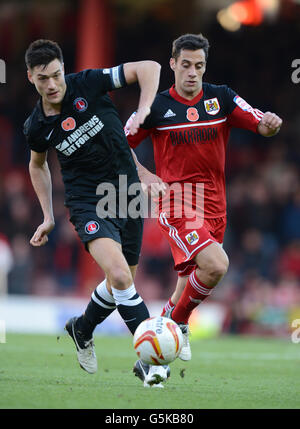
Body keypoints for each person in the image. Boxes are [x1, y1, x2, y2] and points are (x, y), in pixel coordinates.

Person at [126, 33, 282, 367]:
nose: (192, 72)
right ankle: (178, 326)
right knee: (216, 265)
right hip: (177, 201)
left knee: (188, 282)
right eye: (185, 65)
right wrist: (144, 175)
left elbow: (260, 123)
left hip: (215, 206)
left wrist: (270, 123)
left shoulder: (221, 98)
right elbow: (118, 143)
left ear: (205, 66)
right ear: (172, 65)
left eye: (199, 66)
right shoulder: (154, 106)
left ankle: (155, 355)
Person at [23, 39, 170, 387]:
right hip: (88, 201)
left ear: (63, 68)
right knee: (120, 276)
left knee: (122, 280)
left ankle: (82, 328)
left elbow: (149, 67)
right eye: (43, 78)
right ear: (31, 77)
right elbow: (37, 164)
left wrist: (145, 109)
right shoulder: (36, 126)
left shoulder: (87, 82)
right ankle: (152, 360)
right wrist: (47, 215)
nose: (53, 84)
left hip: (128, 194)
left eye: (57, 75)